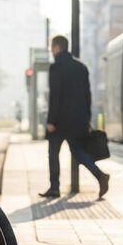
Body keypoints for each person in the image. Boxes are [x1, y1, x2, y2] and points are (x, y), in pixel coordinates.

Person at [39, 35, 109, 200]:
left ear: (56, 48)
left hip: (60, 122)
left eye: (52, 47)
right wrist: (87, 119)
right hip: (78, 120)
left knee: (53, 153)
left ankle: (55, 188)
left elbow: (55, 96)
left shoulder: (56, 68)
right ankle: (100, 176)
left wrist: (51, 121)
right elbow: (87, 96)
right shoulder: (81, 67)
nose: (51, 50)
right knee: (78, 152)